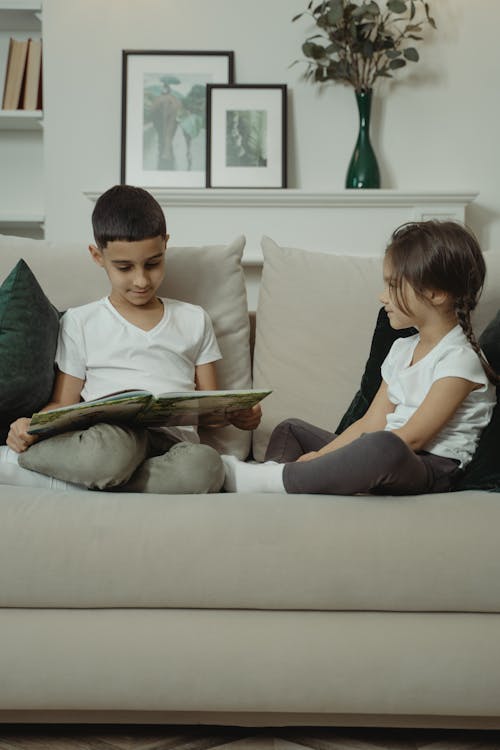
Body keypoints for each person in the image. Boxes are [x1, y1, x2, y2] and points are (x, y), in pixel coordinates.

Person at [7, 185, 261, 493]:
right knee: (112, 453)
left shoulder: (195, 320)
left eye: (153, 263)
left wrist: (236, 414)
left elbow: (209, 412)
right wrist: (30, 426)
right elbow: (63, 403)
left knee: (206, 466)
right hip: (112, 438)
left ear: (166, 245)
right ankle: (36, 464)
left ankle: (98, 482)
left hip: (172, 445)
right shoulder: (81, 321)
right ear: (97, 256)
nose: (141, 280)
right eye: (124, 267)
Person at [222, 221, 498, 495]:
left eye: (392, 285)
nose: (382, 296)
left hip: (429, 466)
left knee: (382, 446)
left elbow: (415, 437)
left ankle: (271, 479)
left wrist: (328, 459)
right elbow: (371, 421)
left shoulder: (460, 358)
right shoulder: (402, 349)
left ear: (435, 293)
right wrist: (320, 455)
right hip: (385, 446)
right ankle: (277, 484)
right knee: (290, 429)